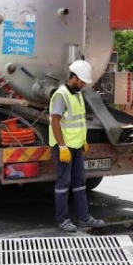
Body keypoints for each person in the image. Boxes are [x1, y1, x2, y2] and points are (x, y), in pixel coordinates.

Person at [49, 60, 106, 232]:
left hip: (77, 146)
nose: (82, 85)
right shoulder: (61, 95)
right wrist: (62, 146)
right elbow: (55, 122)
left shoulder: (78, 94)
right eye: (81, 82)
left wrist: (83, 141)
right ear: (72, 78)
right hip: (63, 147)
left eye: (84, 82)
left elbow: (79, 121)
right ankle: (63, 219)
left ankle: (84, 217)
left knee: (80, 182)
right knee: (63, 183)